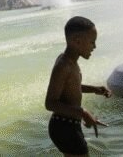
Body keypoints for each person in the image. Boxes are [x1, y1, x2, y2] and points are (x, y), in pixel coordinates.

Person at [45, 16, 111, 156]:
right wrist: (83, 113)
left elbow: (71, 86)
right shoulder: (63, 65)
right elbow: (50, 103)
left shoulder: (70, 62)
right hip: (64, 127)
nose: (94, 47)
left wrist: (94, 89)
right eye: (92, 42)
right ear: (77, 41)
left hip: (67, 124)